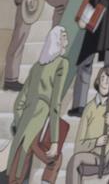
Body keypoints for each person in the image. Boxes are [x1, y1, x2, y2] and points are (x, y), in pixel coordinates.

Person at [5, 26, 70, 184]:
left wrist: (21, 122)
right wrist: (55, 140)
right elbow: (55, 103)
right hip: (42, 117)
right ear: (58, 41)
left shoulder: (36, 66)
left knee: (19, 163)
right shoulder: (62, 63)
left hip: (26, 118)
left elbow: (19, 102)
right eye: (64, 36)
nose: (67, 40)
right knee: (51, 157)